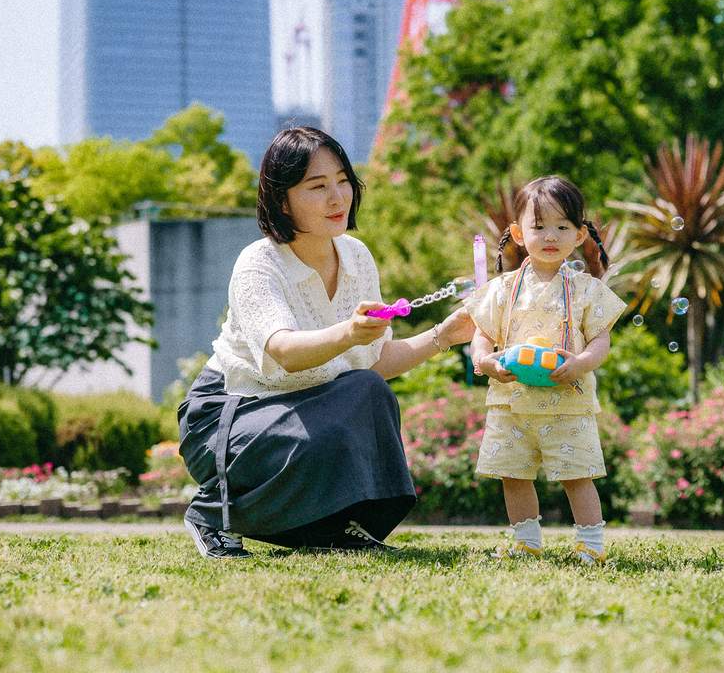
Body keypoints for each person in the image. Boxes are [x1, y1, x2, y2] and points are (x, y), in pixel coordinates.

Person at [178, 127, 475, 558]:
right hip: (230, 413)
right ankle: (214, 513)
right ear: (282, 201)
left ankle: (334, 528)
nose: (337, 198)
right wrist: (348, 332)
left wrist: (443, 335)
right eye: (317, 187)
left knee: (368, 391)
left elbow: (372, 363)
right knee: (325, 424)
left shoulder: (357, 257)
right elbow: (284, 351)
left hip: (301, 408)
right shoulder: (258, 264)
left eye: (343, 181)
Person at [465, 176, 626, 564]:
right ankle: (526, 541)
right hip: (511, 401)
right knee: (513, 474)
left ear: (580, 235)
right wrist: (484, 361)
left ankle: (591, 544)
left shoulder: (587, 289)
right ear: (519, 234)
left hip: (566, 401)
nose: (550, 236)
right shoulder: (502, 288)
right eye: (539, 226)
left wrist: (582, 363)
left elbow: (600, 340)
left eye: (562, 227)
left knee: (577, 474)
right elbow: (481, 336)